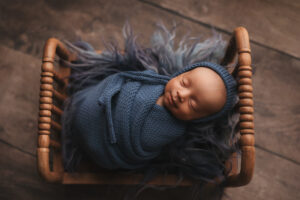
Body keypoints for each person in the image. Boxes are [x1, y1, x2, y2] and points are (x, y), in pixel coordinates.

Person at [61, 22, 240, 197]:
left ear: (198, 119)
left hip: (106, 145)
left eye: (192, 104)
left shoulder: (171, 129)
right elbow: (126, 80)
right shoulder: (157, 80)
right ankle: (85, 111)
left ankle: (85, 122)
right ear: (180, 73)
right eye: (184, 83)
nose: (181, 95)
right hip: (95, 106)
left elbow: (143, 147)